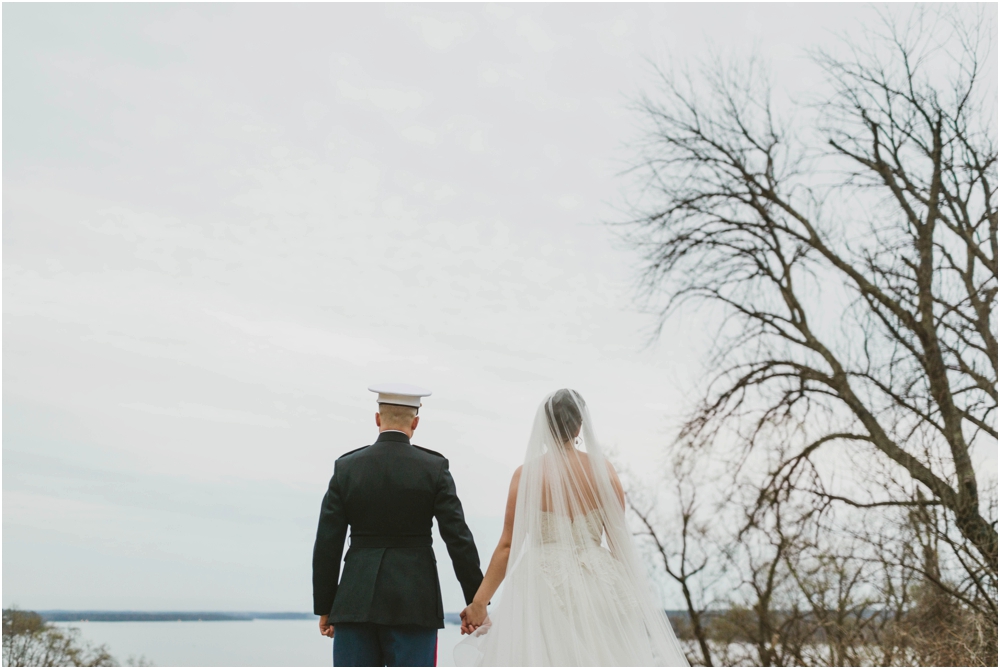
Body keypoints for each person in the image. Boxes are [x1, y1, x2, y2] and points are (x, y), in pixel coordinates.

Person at [455, 389, 690, 666]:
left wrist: (480, 603)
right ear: (580, 425)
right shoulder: (605, 472)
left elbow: (508, 545)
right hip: (600, 584)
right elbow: (619, 542)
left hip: (542, 587)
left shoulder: (526, 475)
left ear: (545, 425)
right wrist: (627, 597)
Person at [313, 383, 484, 667]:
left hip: (354, 602)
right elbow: (458, 539)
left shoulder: (346, 468)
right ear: (415, 422)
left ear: (378, 419)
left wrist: (326, 606)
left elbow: (327, 543)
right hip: (415, 603)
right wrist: (476, 602)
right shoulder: (434, 468)